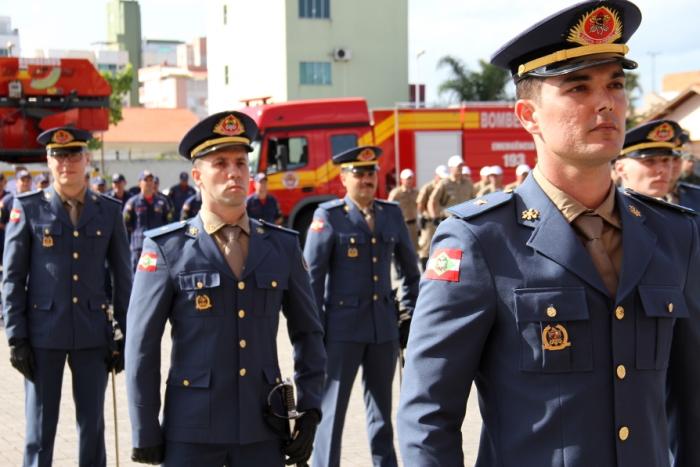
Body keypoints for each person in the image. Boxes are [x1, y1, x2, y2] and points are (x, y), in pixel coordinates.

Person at [397, 2, 700, 466]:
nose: (607, 102)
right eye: (579, 87)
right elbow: (428, 415)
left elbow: (691, 400)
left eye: (615, 84)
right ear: (528, 115)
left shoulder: (673, 234)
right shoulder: (479, 240)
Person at [125, 111, 326, 467]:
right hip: (193, 431)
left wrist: (309, 409)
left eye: (240, 162)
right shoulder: (168, 249)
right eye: (220, 162)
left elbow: (309, 333)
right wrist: (144, 430)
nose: (234, 172)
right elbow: (141, 345)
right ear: (198, 176)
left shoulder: (281, 246)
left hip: (264, 427)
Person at [2, 126, 132, 467]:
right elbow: (13, 278)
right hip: (43, 335)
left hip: (93, 335)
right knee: (39, 432)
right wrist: (16, 337)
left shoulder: (108, 211)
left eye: (74, 154)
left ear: (87, 159)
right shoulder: (28, 209)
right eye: (59, 156)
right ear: (48, 161)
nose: (66, 163)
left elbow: (123, 278)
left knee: (92, 427)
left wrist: (125, 335)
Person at [304, 145, 420, 467]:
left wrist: (407, 314)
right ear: (344, 178)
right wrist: (317, 330)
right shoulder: (328, 217)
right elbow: (312, 281)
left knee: (382, 411)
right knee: (332, 411)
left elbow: (411, 273)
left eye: (371, 173)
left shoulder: (391, 213)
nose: (367, 180)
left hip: (382, 328)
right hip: (341, 330)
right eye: (359, 173)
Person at [615, 119, 681, 199]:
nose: (662, 170)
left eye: (665, 160)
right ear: (620, 169)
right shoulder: (606, 210)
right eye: (649, 161)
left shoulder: (671, 209)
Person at [123, 170, 174, 270]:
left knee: (155, 277)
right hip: (139, 247)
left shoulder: (161, 202)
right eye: (146, 180)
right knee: (137, 278)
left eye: (151, 180)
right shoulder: (132, 203)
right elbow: (125, 224)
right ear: (139, 183)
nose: (149, 183)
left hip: (156, 246)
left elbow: (169, 223)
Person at [416, 165, 448, 270]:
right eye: (441, 177)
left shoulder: (445, 186)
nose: (442, 180)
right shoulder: (428, 187)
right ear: (436, 176)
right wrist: (421, 216)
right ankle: (424, 270)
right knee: (426, 246)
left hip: (441, 219)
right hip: (429, 221)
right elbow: (420, 203)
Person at [428, 154, 474, 220]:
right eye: (458, 166)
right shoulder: (444, 183)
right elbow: (432, 201)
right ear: (451, 168)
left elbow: (473, 200)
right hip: (449, 220)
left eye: (461, 165)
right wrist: (434, 217)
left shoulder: (468, 183)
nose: (460, 168)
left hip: (466, 219)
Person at [388, 168, 419, 252]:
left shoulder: (416, 192)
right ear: (402, 180)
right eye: (407, 179)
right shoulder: (396, 193)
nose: (409, 181)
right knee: (402, 250)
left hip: (413, 225)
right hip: (401, 225)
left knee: (414, 250)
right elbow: (389, 210)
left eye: (411, 178)